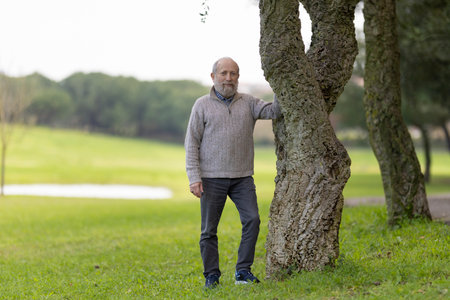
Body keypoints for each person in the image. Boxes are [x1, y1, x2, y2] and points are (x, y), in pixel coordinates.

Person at [185, 57, 281, 289]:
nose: (229, 78)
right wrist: (194, 177)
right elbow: (192, 143)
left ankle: (242, 271)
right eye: (224, 73)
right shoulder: (201, 105)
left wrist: (280, 83)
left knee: (253, 220)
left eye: (233, 74)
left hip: (242, 178)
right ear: (213, 77)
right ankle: (212, 276)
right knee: (209, 230)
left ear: (238, 77)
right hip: (211, 178)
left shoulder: (248, 102)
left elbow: (274, 111)